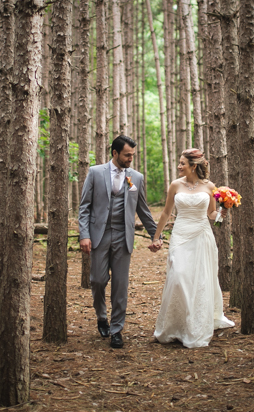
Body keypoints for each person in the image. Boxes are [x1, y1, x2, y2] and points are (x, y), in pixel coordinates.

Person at [78, 135, 158, 349]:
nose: (131, 158)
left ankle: (116, 330)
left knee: (120, 285)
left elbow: (143, 209)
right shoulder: (95, 173)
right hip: (99, 234)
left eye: (132, 154)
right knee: (97, 280)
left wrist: (155, 235)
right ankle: (101, 316)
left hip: (124, 236)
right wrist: (84, 234)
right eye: (127, 155)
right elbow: (84, 206)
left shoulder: (136, 178)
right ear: (115, 153)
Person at [150, 148, 234, 348]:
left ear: (193, 166)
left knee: (199, 280)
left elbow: (213, 216)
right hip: (180, 235)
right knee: (178, 276)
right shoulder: (175, 185)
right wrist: (156, 237)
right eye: (179, 163)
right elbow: (166, 213)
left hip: (201, 235)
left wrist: (224, 209)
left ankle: (194, 326)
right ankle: (174, 325)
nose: (179, 166)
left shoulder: (210, 187)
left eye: (182, 163)